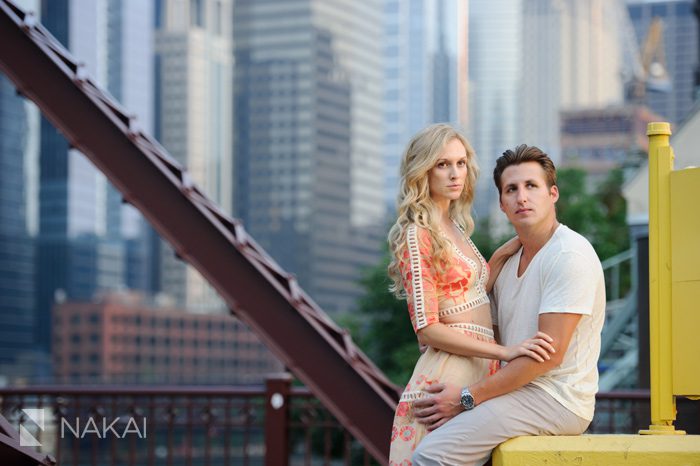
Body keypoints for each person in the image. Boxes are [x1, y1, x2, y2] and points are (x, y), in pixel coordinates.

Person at [410, 144, 606, 465]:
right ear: (502, 204)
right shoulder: (509, 262)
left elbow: (547, 358)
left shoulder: (568, 255)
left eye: (531, 186)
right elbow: (486, 333)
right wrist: (497, 259)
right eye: (511, 190)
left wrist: (465, 398)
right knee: (426, 423)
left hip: (555, 397)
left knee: (433, 456)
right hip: (519, 390)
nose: (522, 197)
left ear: (552, 193)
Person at [387, 126, 556, 465]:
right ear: (423, 170)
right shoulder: (416, 233)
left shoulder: (457, 227)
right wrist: (505, 350)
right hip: (446, 380)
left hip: (478, 375)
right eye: (442, 164)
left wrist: (502, 256)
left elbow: (469, 294)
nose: (455, 174)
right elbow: (427, 328)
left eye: (461, 163)